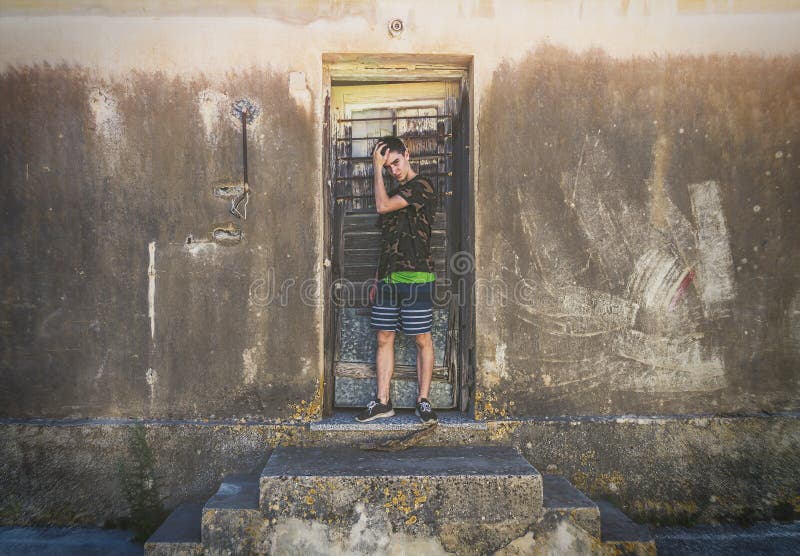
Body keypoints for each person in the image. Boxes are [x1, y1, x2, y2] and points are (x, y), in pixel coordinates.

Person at [355, 136, 438, 424]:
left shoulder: (422, 186)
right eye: (387, 167)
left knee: (421, 338)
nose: (393, 170)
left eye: (395, 163)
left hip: (417, 276)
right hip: (389, 280)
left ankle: (423, 400)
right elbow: (387, 242)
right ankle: (382, 402)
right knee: (383, 337)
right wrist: (378, 280)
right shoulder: (391, 192)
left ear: (407, 154)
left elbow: (382, 206)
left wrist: (375, 168)